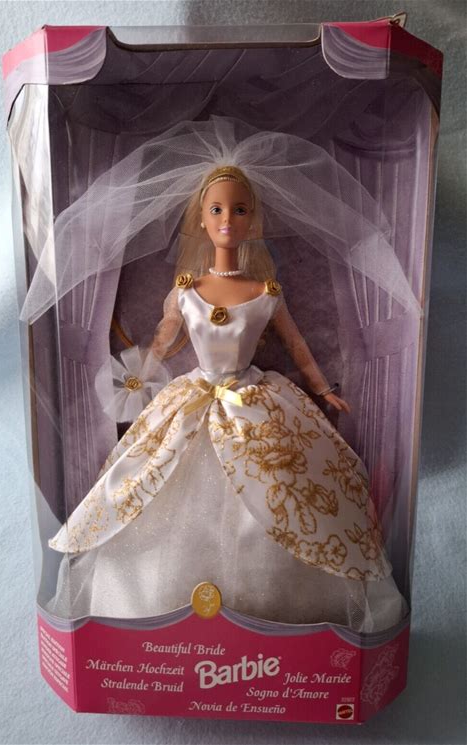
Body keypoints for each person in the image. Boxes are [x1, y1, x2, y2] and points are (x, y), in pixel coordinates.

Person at [46, 163, 408, 631]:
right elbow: (162, 342)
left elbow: (297, 345)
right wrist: (135, 379)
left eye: (238, 210)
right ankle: (152, 606)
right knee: (150, 478)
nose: (227, 220)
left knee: (283, 485)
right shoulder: (186, 291)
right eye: (216, 209)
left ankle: (282, 609)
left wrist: (322, 390)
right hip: (193, 398)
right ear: (200, 218)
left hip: (253, 401)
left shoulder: (266, 292)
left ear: (251, 218)